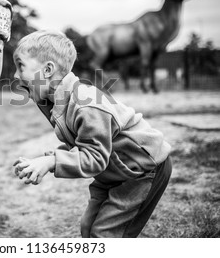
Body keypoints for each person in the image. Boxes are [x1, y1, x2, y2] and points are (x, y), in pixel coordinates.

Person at [12, 30, 172, 238]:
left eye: (20, 66)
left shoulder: (86, 105)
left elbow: (95, 158)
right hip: (114, 172)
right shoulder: (59, 102)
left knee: (105, 235)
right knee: (88, 228)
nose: (15, 76)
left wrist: (52, 162)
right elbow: (86, 145)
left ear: (47, 69)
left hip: (142, 170)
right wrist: (49, 158)